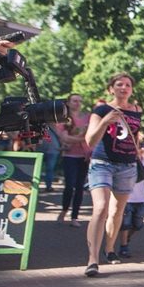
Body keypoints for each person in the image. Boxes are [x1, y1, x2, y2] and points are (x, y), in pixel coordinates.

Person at [83, 72, 142, 277]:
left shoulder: (136, 111)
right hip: (102, 163)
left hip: (127, 166)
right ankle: (93, 259)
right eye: (119, 85)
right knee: (100, 208)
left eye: (127, 85)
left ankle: (109, 249)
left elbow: (133, 136)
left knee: (117, 211)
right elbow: (90, 141)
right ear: (111, 88)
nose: (124, 88)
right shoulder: (101, 110)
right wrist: (105, 121)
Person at [55, 94, 90, 228]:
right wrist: (82, 139)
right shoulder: (63, 119)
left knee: (80, 187)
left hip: (84, 156)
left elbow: (93, 134)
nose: (78, 103)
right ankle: (64, 210)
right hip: (69, 156)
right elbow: (65, 138)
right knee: (69, 185)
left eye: (80, 101)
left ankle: (74, 216)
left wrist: (83, 139)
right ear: (68, 103)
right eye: (75, 101)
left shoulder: (87, 117)